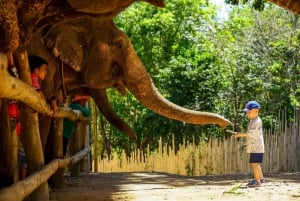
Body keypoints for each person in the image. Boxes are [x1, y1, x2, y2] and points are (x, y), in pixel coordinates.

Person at [234, 100, 265, 188]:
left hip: (257, 147)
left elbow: (252, 133)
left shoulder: (257, 121)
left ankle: (257, 181)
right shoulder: (253, 120)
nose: (247, 114)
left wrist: (240, 134)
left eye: (249, 112)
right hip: (254, 147)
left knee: (254, 163)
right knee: (255, 163)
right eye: (247, 112)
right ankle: (260, 179)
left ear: (256, 111)